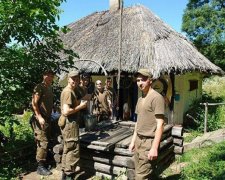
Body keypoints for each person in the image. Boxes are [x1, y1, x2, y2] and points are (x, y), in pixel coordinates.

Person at [129, 69, 165, 179]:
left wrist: (154, 147)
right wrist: (133, 141)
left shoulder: (156, 97)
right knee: (143, 172)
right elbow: (138, 122)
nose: (140, 83)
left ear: (150, 81)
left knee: (140, 176)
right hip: (139, 141)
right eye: (138, 80)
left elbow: (160, 124)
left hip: (149, 142)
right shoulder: (140, 99)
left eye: (143, 80)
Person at [59, 71, 87, 180]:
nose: (75, 81)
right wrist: (81, 107)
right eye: (73, 79)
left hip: (68, 124)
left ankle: (64, 175)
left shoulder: (72, 90)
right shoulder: (68, 92)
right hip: (70, 125)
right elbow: (66, 111)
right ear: (68, 79)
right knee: (73, 149)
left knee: (68, 149)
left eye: (77, 79)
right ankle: (69, 175)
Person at [31, 69, 55, 176]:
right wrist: (39, 116)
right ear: (43, 76)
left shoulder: (49, 87)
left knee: (47, 140)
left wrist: (55, 108)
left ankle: (44, 162)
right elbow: (34, 103)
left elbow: (48, 101)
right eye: (47, 75)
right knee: (42, 141)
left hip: (48, 118)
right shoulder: (39, 87)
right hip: (39, 119)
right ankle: (40, 167)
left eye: (51, 76)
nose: (49, 78)